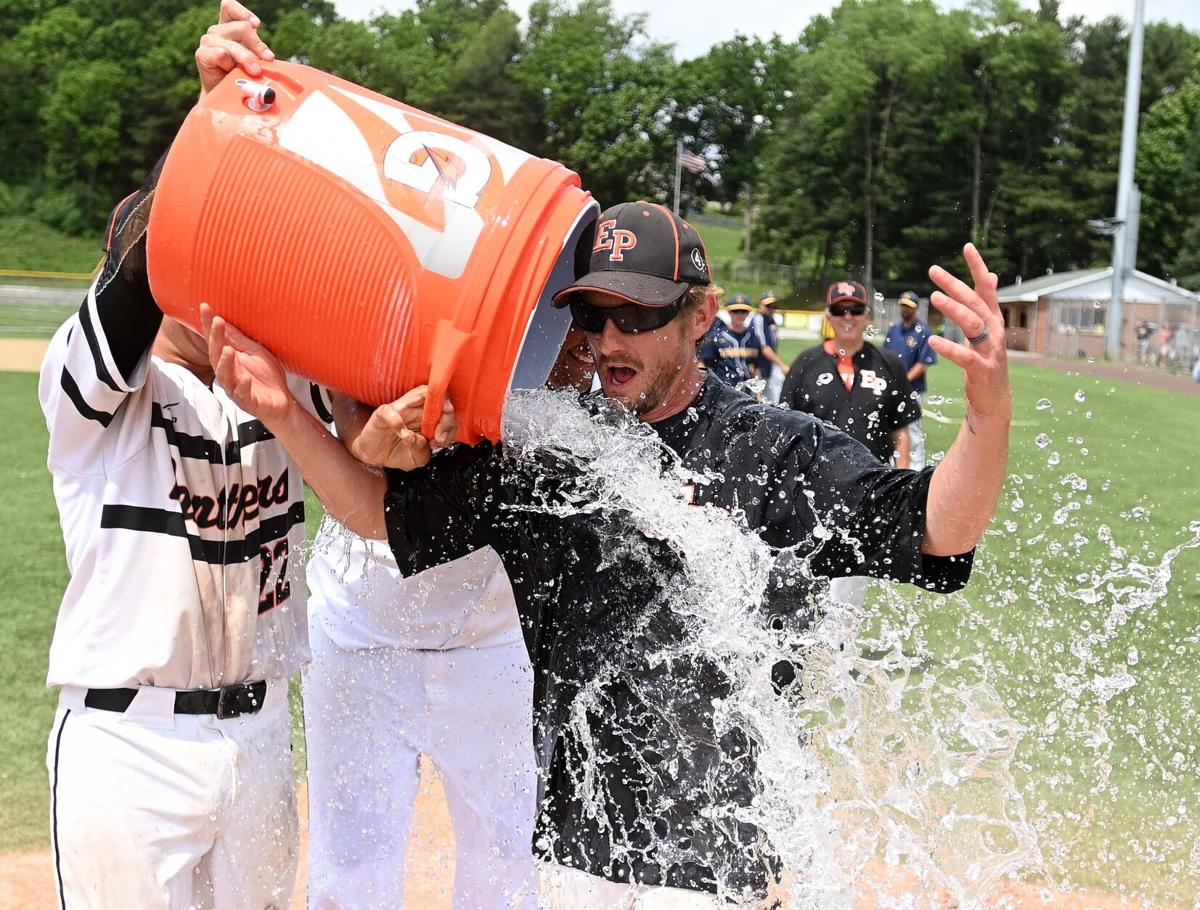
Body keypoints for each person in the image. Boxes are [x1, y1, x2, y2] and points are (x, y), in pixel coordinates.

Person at [208, 196, 1011, 905]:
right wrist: (284, 414)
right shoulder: (557, 446)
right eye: (591, 316)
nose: (607, 338)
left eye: (637, 316)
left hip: (713, 864)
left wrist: (986, 416)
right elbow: (380, 515)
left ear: (700, 317)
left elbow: (938, 527)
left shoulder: (775, 451)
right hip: (575, 856)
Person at [193, 7, 544, 905]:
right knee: (353, 867)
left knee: (506, 865)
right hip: (360, 627)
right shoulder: (302, 294)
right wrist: (221, 109)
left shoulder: (491, 314)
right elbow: (207, 236)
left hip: (487, 633)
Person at [36, 154, 334, 907]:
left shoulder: (279, 388)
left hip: (258, 734)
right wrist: (213, 145)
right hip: (130, 744)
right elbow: (122, 302)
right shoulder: (91, 398)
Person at [780, 280, 922, 617]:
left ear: (867, 315)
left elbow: (901, 430)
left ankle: (839, 657)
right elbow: (786, 429)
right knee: (800, 582)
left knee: (850, 592)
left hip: (866, 495)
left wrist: (902, 480)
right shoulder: (805, 364)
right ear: (828, 315)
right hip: (811, 495)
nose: (848, 316)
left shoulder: (888, 363)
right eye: (840, 310)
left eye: (855, 310)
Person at [883, 290, 938, 469]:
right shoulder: (894, 330)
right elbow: (886, 356)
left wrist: (903, 381)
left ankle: (915, 471)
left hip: (913, 390)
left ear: (916, 309)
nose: (906, 309)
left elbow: (923, 363)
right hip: (892, 389)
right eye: (903, 305)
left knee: (913, 431)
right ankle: (894, 466)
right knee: (892, 428)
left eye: (909, 307)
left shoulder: (923, 332)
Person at [750, 290, 789, 404]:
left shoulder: (770, 319)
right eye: (768, 306)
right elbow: (764, 348)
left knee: (773, 400)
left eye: (773, 306)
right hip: (758, 366)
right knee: (760, 401)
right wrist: (782, 365)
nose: (771, 308)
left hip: (768, 365)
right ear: (760, 305)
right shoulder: (758, 319)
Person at [723, 293, 764, 382]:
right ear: (728, 312)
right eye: (736, 311)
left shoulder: (753, 338)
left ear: (748, 313)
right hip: (723, 391)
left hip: (746, 391)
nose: (740, 314)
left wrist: (759, 394)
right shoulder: (717, 337)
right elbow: (704, 365)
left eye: (743, 311)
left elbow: (756, 368)